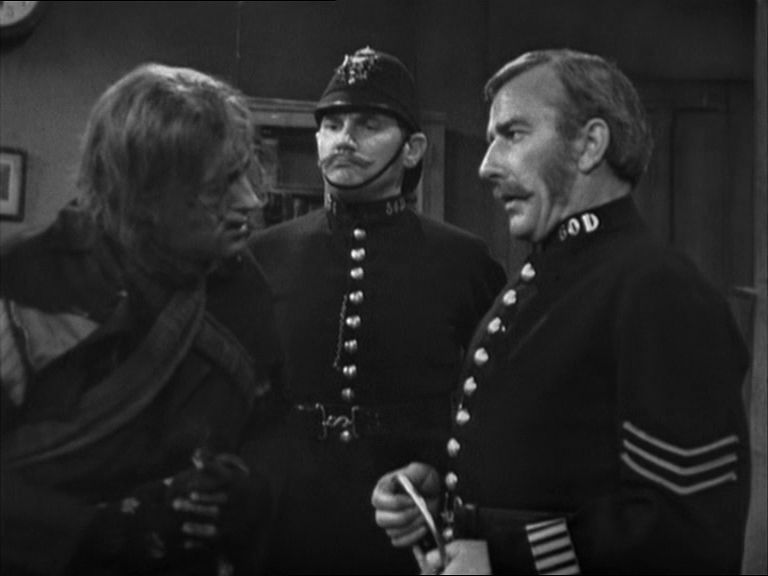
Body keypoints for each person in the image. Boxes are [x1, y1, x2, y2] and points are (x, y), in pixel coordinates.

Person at [372, 48, 751, 574]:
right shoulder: (545, 279)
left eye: (513, 134)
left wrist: (508, 560)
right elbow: (555, 463)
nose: (486, 166)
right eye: (492, 140)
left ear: (589, 145)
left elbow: (686, 526)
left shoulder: (659, 289)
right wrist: (446, 497)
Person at [0, 63, 282, 575]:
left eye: (247, 173)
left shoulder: (245, 290)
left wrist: (246, 492)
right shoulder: (24, 286)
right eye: (220, 186)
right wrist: (106, 530)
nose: (250, 201)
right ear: (145, 194)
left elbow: (271, 433)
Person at [248, 47, 506, 574]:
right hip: (284, 525)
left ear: (412, 150)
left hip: (405, 522)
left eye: (369, 125)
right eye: (332, 124)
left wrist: (439, 479)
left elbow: (493, 412)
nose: (345, 139)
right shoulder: (263, 255)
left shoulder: (464, 261)